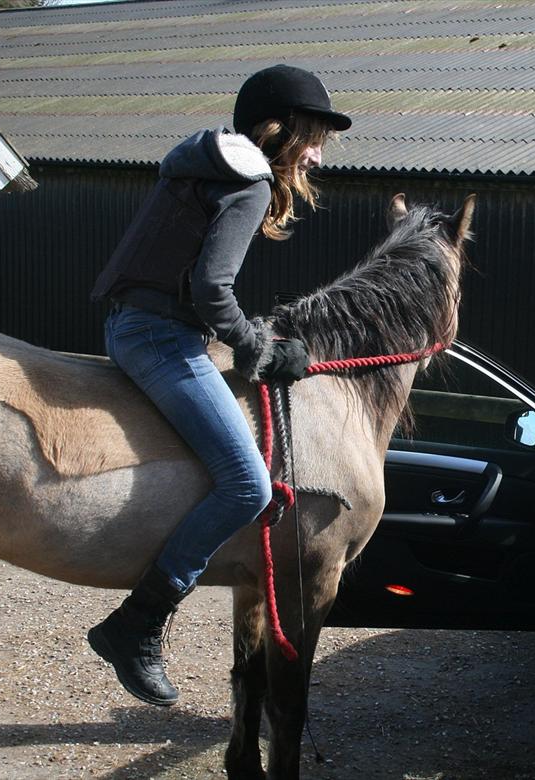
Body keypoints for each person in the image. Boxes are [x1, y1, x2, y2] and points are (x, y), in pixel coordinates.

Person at [87, 64, 351, 706]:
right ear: (280, 130)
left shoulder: (199, 164)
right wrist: (257, 344)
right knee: (246, 483)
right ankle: (138, 624)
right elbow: (211, 290)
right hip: (160, 335)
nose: (317, 153)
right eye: (313, 136)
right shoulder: (250, 182)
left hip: (132, 322)